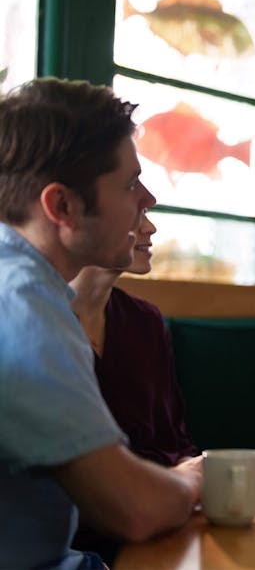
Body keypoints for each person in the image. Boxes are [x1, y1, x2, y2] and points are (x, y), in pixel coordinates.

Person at [0, 78, 202, 569]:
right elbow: (135, 510)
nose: (146, 201)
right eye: (129, 183)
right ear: (62, 206)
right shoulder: (26, 306)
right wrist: (202, 478)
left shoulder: (30, 287)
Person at [69, 213, 199, 562]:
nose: (151, 228)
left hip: (164, 522)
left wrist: (194, 471)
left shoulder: (145, 321)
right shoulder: (38, 322)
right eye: (135, 214)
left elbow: (174, 440)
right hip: (81, 542)